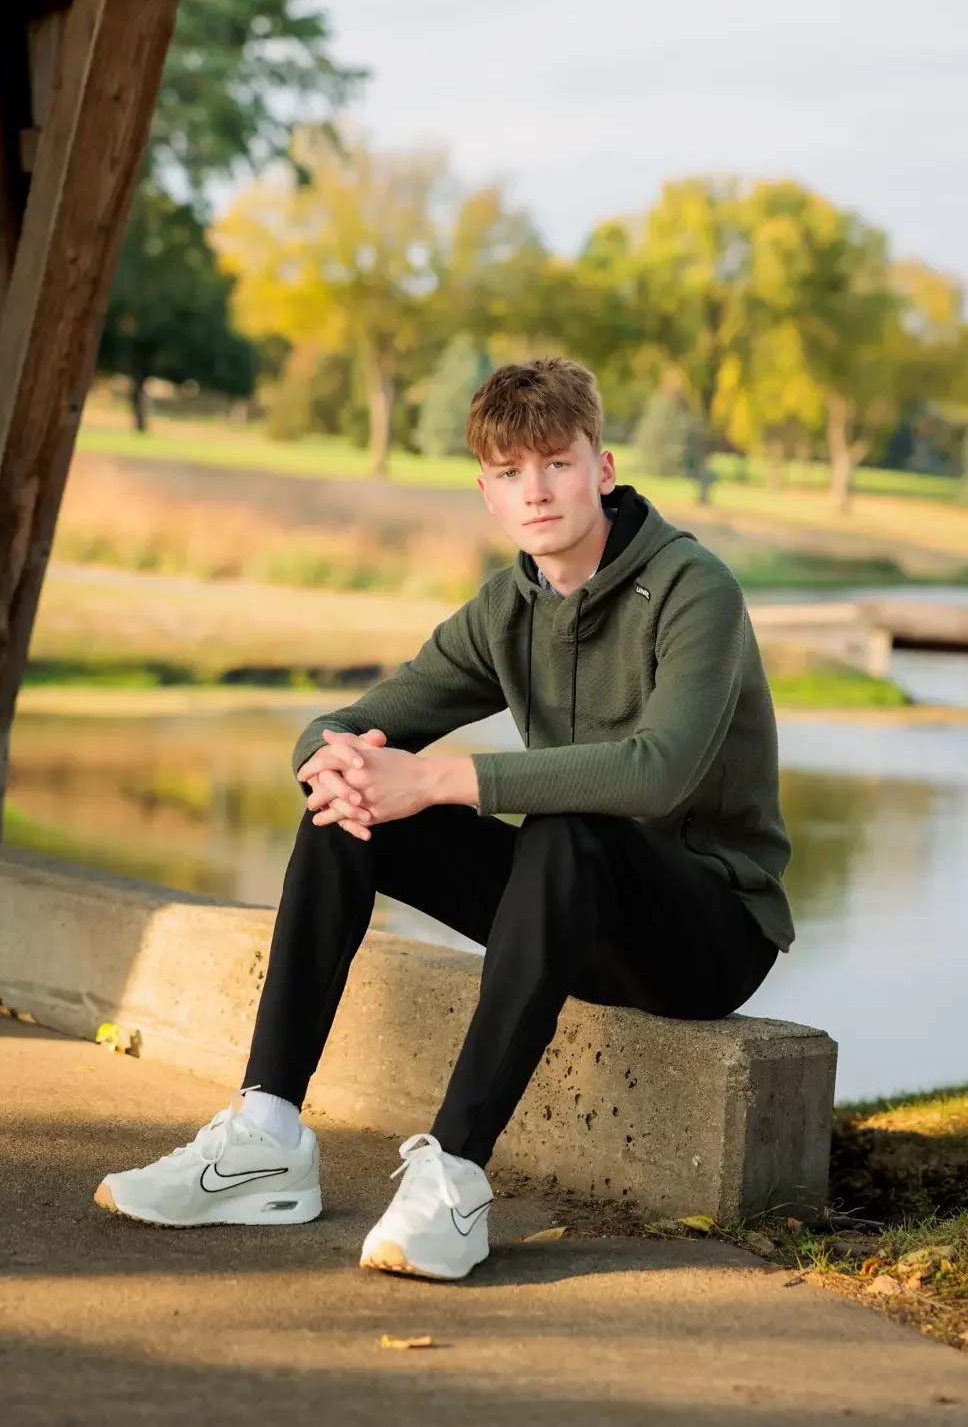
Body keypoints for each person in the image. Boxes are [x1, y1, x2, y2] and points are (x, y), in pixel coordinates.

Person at [95, 358, 792, 1280]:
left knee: (564, 824)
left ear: (603, 468)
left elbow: (656, 775)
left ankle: (454, 1177)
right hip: (569, 916)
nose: (534, 491)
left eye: (555, 463)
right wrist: (329, 759)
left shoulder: (693, 589)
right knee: (347, 811)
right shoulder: (506, 609)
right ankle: (265, 1134)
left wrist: (440, 777)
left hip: (704, 932)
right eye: (510, 473)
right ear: (486, 493)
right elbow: (352, 718)